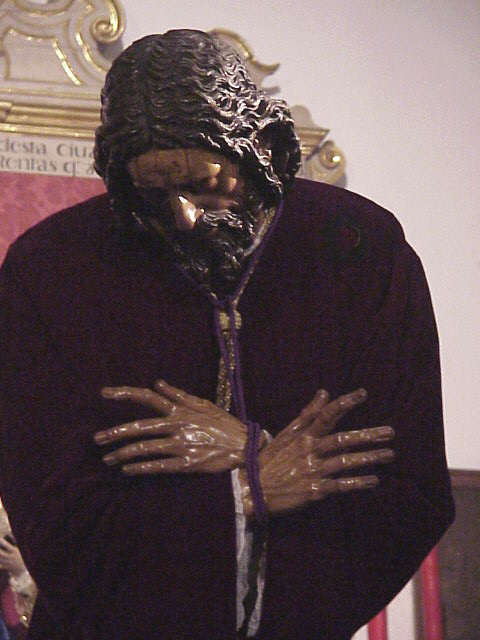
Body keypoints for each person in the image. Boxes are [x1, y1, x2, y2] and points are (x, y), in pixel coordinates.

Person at [0, 30, 454, 640]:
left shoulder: (356, 251)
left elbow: (405, 487)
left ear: (262, 148)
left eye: (206, 183)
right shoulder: (52, 269)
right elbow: (53, 511)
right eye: (154, 192)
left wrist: (244, 446)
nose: (184, 215)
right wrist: (248, 487)